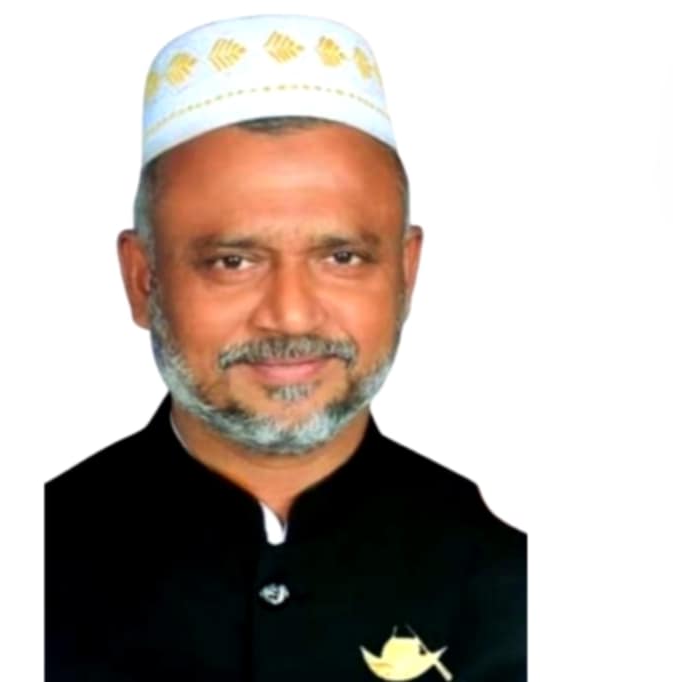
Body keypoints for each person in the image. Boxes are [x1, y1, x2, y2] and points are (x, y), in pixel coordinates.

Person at [45, 13, 526, 681]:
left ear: (406, 274)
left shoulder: (508, 589)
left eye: (342, 257)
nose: (290, 314)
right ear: (143, 280)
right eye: (233, 262)